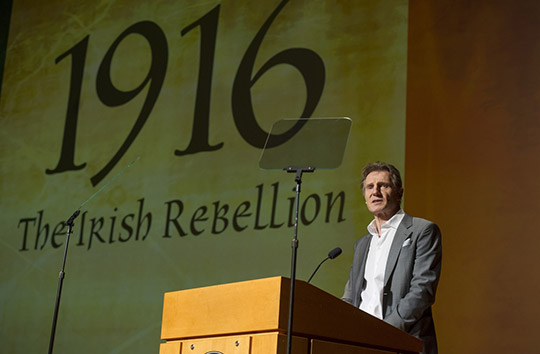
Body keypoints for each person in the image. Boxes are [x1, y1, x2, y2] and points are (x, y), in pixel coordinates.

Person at [342, 162, 442, 354]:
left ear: (399, 192)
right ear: (364, 197)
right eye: (370, 187)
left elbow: (422, 290)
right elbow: (351, 296)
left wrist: (385, 333)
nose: (375, 191)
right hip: (361, 344)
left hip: (403, 342)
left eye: (383, 185)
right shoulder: (362, 244)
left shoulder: (423, 230)